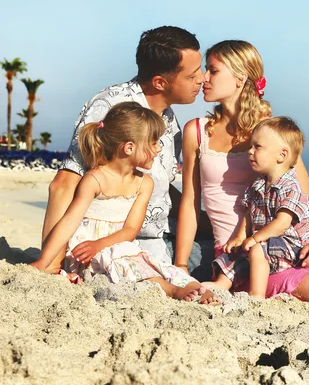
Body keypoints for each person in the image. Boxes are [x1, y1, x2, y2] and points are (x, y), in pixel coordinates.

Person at [175, 40, 309, 311]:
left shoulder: (271, 133)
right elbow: (190, 203)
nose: (203, 78)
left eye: (212, 70)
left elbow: (306, 196)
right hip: (244, 255)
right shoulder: (196, 131)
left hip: (290, 242)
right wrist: (179, 265)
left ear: (239, 78)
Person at [40, 26, 211, 276]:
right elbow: (64, 184)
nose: (203, 78)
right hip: (115, 247)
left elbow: (158, 189)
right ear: (160, 82)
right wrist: (52, 267)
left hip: (161, 237)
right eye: (192, 74)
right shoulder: (113, 108)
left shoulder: (170, 119)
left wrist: (207, 223)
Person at [31, 102, 215, 303]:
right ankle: (170, 290)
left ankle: (194, 287)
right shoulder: (95, 179)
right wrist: (44, 261)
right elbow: (68, 222)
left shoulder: (144, 183)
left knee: (153, 263)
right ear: (129, 148)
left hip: (121, 244)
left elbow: (130, 230)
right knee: (122, 257)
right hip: (89, 252)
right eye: (153, 143)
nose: (158, 148)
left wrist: (102, 244)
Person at [210, 116, 309, 298]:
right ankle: (220, 286)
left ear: (282, 155)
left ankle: (256, 295)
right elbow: (249, 214)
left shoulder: (291, 188)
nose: (250, 152)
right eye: (251, 146)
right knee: (236, 252)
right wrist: (240, 237)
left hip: (290, 247)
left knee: (257, 248)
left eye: (257, 147)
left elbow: (282, 223)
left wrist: (255, 238)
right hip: (265, 243)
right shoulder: (257, 185)